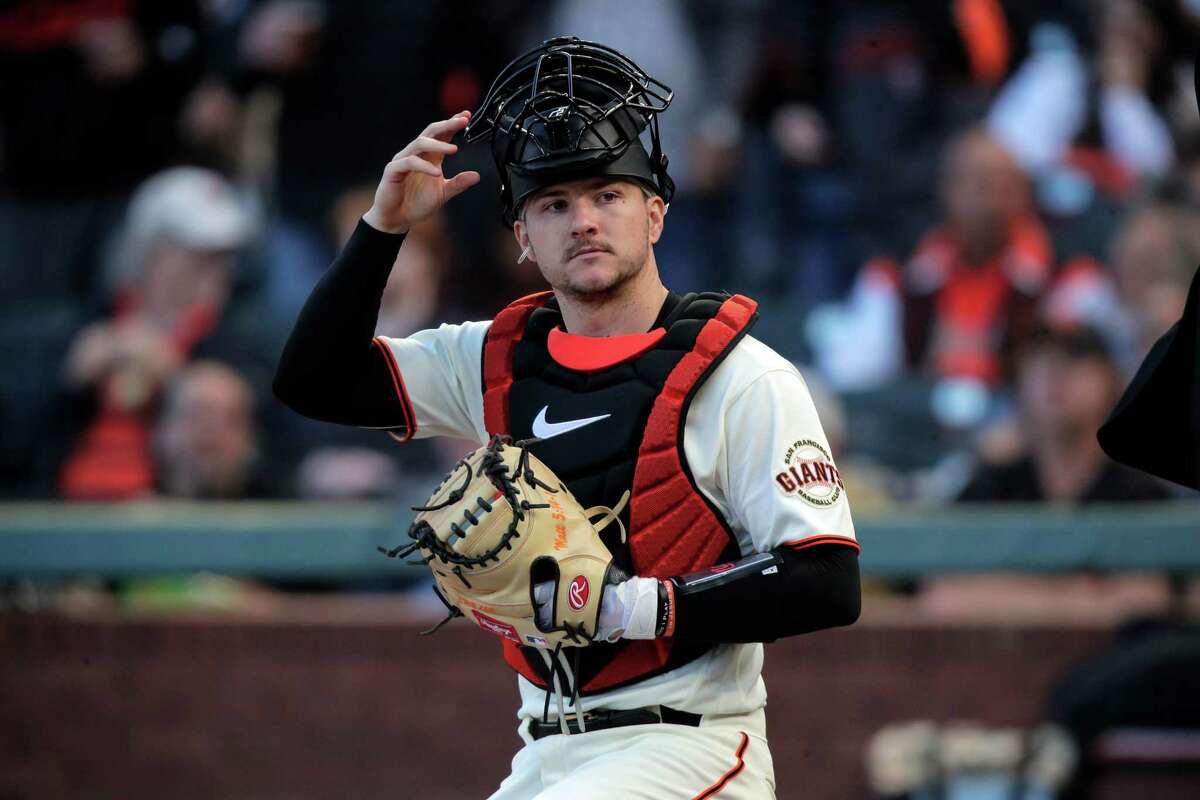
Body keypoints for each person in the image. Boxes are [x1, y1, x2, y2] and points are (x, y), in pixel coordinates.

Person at [274, 37, 860, 799]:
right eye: (554, 204)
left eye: (607, 195)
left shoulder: (742, 375)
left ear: (654, 215)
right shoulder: (493, 356)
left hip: (688, 745)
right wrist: (383, 228)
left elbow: (828, 580)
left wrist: (628, 605)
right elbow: (313, 381)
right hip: (544, 749)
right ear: (523, 237)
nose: (582, 220)